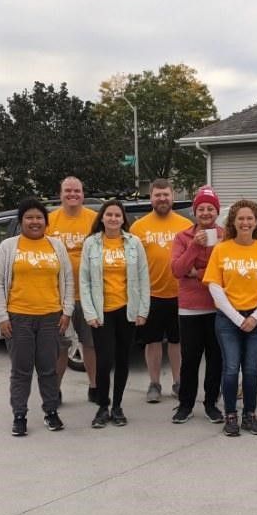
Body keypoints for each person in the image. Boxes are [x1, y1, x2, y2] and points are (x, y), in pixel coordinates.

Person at [0, 198, 74, 436]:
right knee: (21, 370)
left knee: (49, 369)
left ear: (45, 222)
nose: (35, 222)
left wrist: (67, 311)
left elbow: (68, 280)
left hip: (51, 317)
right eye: (29, 217)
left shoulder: (56, 246)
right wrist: (2, 316)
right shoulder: (9, 247)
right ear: (21, 221)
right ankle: (19, 415)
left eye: (39, 218)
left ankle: (50, 411)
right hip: (18, 319)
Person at [204, 200, 257, 437]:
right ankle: (230, 415)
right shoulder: (221, 249)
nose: (245, 223)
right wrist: (238, 319)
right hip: (229, 319)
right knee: (230, 369)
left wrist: (255, 317)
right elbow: (215, 286)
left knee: (251, 370)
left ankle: (250, 415)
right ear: (233, 222)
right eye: (240, 219)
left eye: (250, 219)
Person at [80, 200, 150, 429]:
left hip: (127, 310)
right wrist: (89, 312)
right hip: (101, 312)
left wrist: (142, 310)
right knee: (104, 360)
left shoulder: (133, 243)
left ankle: (117, 406)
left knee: (122, 360)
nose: (113, 218)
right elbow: (85, 281)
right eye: (109, 214)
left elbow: (142, 278)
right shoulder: (91, 244)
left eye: (117, 215)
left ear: (123, 219)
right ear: (102, 217)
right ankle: (102, 406)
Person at [130, 178, 192, 403]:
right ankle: (154, 384)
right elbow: (133, 264)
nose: (162, 199)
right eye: (158, 195)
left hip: (180, 293)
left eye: (166, 194)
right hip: (151, 295)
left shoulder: (185, 225)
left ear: (172, 196)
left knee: (177, 341)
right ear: (151, 197)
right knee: (152, 341)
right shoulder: (138, 227)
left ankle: (178, 382)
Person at [170, 185, 224, 424]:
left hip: (218, 306)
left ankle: (212, 404)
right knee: (189, 359)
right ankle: (185, 404)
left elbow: (223, 272)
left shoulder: (224, 235)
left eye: (210, 209)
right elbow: (177, 270)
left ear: (216, 212)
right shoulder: (183, 237)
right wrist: (195, 246)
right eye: (201, 208)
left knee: (216, 359)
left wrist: (198, 274)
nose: (205, 213)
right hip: (190, 307)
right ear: (194, 211)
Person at [48, 176, 99, 403]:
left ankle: (95, 387)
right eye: (68, 191)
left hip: (89, 295)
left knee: (90, 344)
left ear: (83, 193)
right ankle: (54, 391)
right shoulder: (50, 221)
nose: (72, 194)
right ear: (60, 194)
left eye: (76, 191)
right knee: (60, 347)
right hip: (59, 299)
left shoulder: (94, 219)